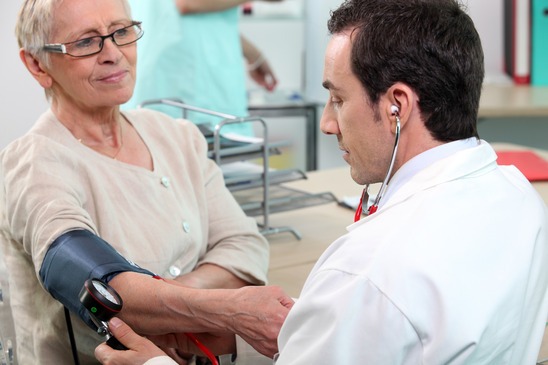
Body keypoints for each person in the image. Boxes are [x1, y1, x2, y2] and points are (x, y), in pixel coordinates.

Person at [94, 0, 548, 364]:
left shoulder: (367, 275)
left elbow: (372, 310)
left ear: (397, 106)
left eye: (337, 98)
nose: (328, 124)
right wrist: (276, 334)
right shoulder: (520, 199)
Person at [0, 0, 293, 364]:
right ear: (37, 64)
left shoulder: (176, 136)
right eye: (86, 42)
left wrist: (170, 308)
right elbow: (94, 285)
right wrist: (230, 308)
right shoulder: (34, 163)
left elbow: (245, 246)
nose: (113, 54)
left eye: (122, 32)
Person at [124, 0, 281, 137]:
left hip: (191, 77)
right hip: (186, 83)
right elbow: (187, 2)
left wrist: (253, 54)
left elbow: (207, 18)